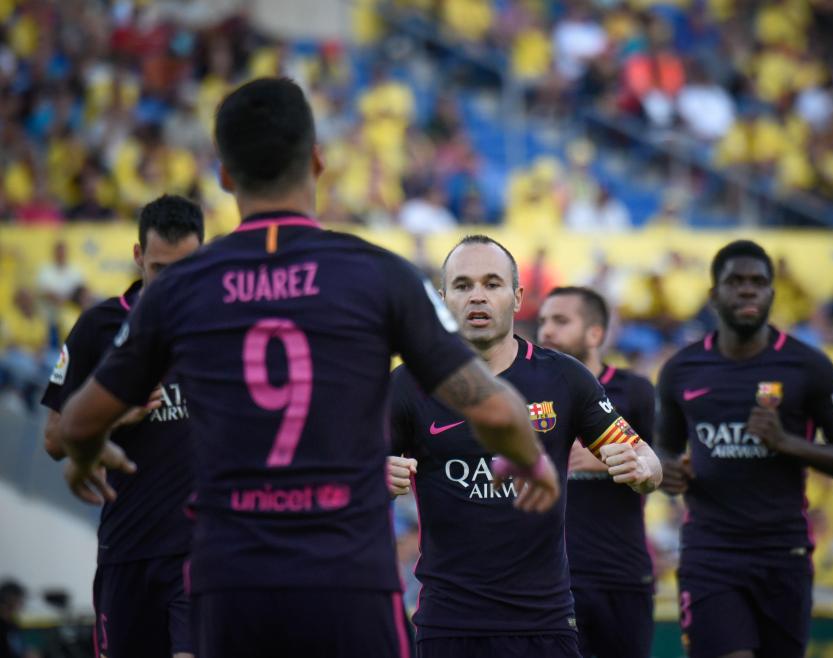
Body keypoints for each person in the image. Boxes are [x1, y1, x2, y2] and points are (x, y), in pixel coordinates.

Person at [56, 77, 556, 658]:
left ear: (224, 175)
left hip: (231, 579)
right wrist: (532, 460)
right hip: (348, 578)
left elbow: (78, 421)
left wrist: (87, 456)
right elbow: (494, 407)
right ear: (318, 161)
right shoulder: (380, 275)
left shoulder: (178, 289)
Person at [388, 235, 662, 658]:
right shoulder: (408, 385)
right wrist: (376, 477)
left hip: (545, 622)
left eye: (492, 284)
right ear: (442, 299)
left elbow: (645, 457)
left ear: (517, 297)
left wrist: (644, 469)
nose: (477, 296)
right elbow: (349, 476)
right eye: (463, 286)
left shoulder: (564, 378)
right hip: (449, 623)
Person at [655, 240, 833, 658]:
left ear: (772, 293)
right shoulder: (681, 369)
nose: (747, 290)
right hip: (710, 552)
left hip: (782, 552)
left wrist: (785, 442)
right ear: (714, 295)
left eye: (758, 282)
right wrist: (666, 473)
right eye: (735, 281)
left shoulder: (809, 366)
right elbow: (663, 450)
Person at [41, 194, 204, 658]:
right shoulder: (99, 327)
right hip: (127, 550)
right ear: (138, 257)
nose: (171, 285)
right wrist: (113, 415)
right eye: (159, 270)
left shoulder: (220, 329)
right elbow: (54, 439)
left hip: (198, 555)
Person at [537, 286, 656, 658]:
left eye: (560, 321)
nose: (546, 332)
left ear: (595, 334)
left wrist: (610, 459)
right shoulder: (526, 392)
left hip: (617, 574)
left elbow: (660, 468)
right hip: (548, 579)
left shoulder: (634, 390)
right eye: (542, 321)